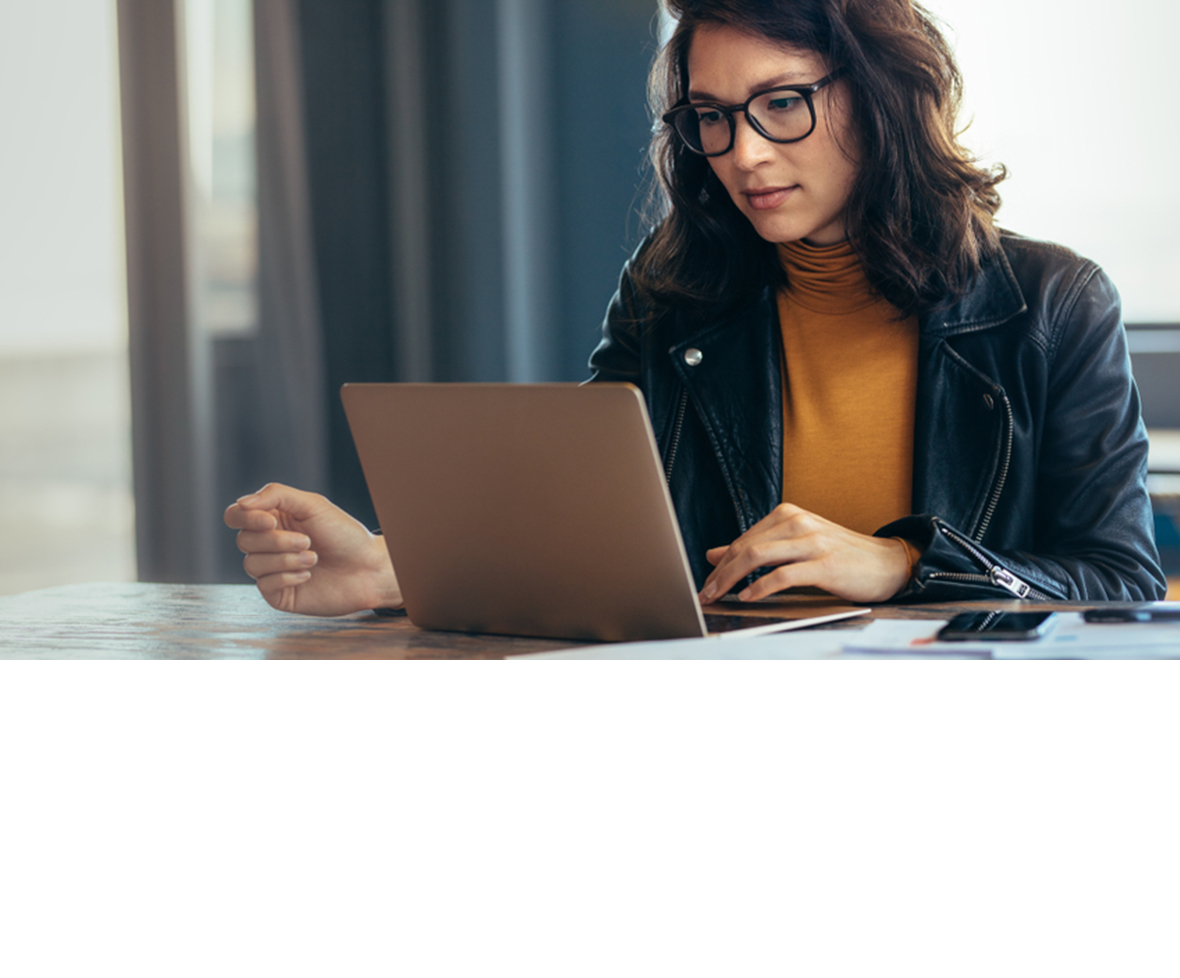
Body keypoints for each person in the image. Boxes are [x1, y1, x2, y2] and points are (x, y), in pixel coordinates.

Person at [225, 0, 1166, 614]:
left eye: (782, 104)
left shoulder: (1051, 304)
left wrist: (904, 566)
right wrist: (395, 567)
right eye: (711, 116)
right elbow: (586, 533)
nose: (744, 153)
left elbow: (1121, 582)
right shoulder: (673, 290)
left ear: (882, 96)